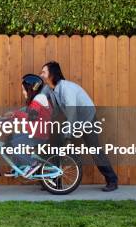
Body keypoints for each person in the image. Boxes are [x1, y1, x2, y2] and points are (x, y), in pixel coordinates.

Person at [40, 61, 119, 192]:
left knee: (94, 149)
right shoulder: (48, 88)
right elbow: (38, 101)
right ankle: (54, 180)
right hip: (74, 119)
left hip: (87, 119)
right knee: (57, 146)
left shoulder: (67, 89)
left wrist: (68, 134)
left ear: (52, 74)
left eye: (44, 72)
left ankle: (112, 181)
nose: (41, 74)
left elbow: (72, 114)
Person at [3, 74, 52, 178]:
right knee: (12, 139)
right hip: (35, 131)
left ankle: (33, 164)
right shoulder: (36, 99)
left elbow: (31, 116)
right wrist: (7, 118)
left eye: (24, 89)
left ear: (31, 88)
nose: (23, 92)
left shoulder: (40, 98)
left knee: (14, 145)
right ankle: (18, 167)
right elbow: (26, 114)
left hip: (39, 134)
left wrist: (15, 114)